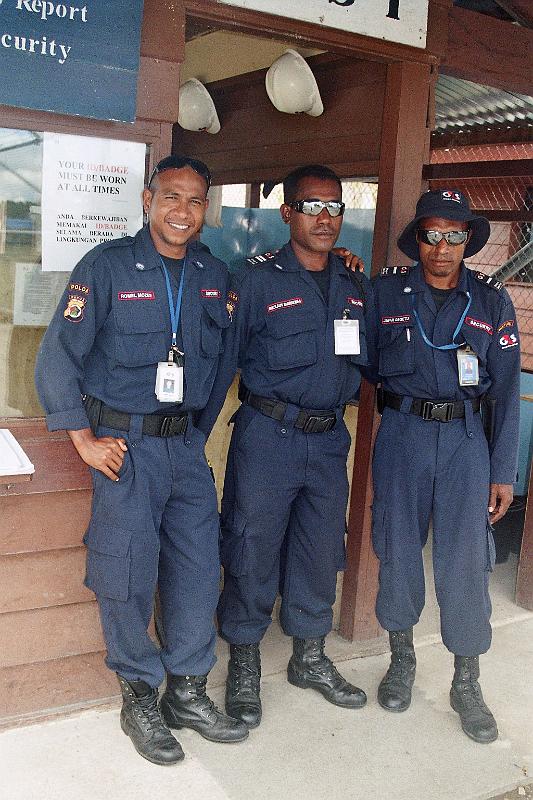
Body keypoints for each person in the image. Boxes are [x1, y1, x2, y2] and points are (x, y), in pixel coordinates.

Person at [35, 155, 248, 766]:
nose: (182, 212)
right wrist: (83, 441)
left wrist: (191, 434)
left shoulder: (214, 274)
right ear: (147, 199)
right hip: (125, 452)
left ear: (206, 208)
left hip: (184, 450)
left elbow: (220, 365)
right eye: (171, 198)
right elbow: (58, 359)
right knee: (126, 575)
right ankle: (139, 695)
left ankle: (188, 691)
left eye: (195, 201)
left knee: (197, 569)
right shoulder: (106, 267)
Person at [198, 164, 375, 729]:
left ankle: (309, 655)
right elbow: (223, 361)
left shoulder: (354, 284)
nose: (325, 217)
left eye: (334, 207)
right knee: (251, 544)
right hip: (267, 437)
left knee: (320, 550)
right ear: (287, 214)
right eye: (312, 206)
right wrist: (193, 439)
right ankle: (246, 656)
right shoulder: (255, 280)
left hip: (327, 441)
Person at [370, 188, 520, 744]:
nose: (443, 248)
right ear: (418, 240)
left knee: (464, 562)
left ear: (467, 243)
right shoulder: (385, 292)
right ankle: (401, 659)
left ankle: (466, 679)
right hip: (403, 434)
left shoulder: (491, 301)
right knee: (398, 549)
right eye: (432, 235)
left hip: (464, 442)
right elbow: (361, 357)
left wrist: (501, 472)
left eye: (455, 237)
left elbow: (505, 390)